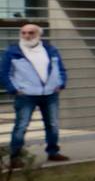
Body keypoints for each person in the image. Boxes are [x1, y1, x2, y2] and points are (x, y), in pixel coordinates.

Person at [2, 23, 69, 162]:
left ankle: (53, 152)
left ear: (39, 35)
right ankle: (15, 157)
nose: (27, 36)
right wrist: (14, 89)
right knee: (21, 126)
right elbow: (4, 73)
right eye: (23, 33)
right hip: (26, 95)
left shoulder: (50, 50)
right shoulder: (13, 51)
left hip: (50, 94)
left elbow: (60, 68)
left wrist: (61, 84)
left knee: (53, 125)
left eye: (31, 33)